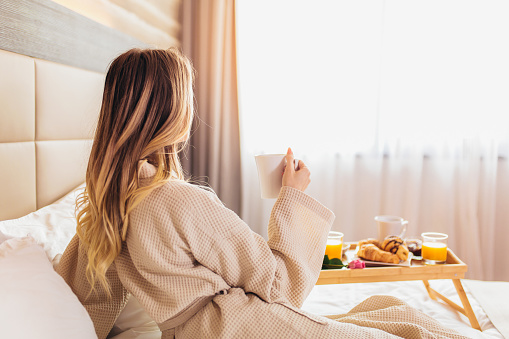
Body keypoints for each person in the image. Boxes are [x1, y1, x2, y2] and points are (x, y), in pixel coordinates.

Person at [57, 48, 468, 339]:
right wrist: (292, 196)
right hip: (244, 329)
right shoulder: (177, 201)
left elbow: (87, 304)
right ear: (173, 115)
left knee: (385, 310)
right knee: (413, 328)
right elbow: (282, 287)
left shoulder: (107, 211)